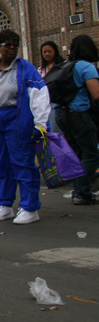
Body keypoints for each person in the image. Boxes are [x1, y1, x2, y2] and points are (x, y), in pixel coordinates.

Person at [0, 29, 50, 224]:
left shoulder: (26, 69)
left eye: (15, 44)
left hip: (18, 118)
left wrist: (40, 124)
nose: (12, 48)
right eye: (7, 44)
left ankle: (29, 207)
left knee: (22, 162)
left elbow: (39, 94)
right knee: (1, 163)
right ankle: (4, 205)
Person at [55, 35, 99, 205]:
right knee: (91, 154)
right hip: (78, 113)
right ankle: (82, 191)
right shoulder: (87, 67)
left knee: (78, 154)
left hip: (62, 114)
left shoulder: (66, 66)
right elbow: (96, 94)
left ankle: (80, 190)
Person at [39, 41, 65, 133]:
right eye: (44, 52)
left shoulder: (63, 67)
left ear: (55, 52)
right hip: (45, 105)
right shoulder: (40, 70)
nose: (47, 54)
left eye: (49, 51)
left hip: (58, 104)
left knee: (57, 131)